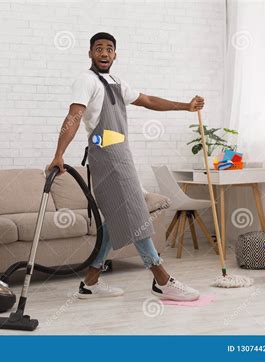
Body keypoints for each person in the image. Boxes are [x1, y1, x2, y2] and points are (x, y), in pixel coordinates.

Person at [48, 32, 205, 301]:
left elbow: (149, 101)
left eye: (109, 49)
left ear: (115, 54)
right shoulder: (85, 81)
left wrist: (185, 107)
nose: (105, 53)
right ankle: (162, 280)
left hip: (122, 153)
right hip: (106, 157)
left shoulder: (118, 82)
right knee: (134, 213)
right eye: (99, 49)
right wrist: (58, 154)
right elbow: (74, 116)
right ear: (90, 54)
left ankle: (90, 282)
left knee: (116, 220)